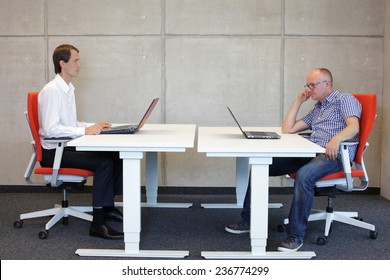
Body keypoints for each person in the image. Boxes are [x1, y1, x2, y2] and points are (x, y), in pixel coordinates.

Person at [225, 68, 362, 252]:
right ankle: (249, 220)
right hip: (311, 151)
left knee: (304, 175)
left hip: (334, 155)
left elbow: (354, 127)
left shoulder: (344, 99)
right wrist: (299, 100)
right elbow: (288, 129)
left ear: (327, 84)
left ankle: (295, 236)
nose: (309, 89)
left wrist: (336, 139)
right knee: (262, 165)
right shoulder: (319, 108)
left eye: (312, 85)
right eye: (308, 85)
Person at [38, 44, 124, 239]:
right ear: (62, 63)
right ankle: (98, 224)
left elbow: (69, 124)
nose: (79, 65)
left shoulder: (67, 89)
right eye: (75, 60)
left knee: (115, 155)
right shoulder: (52, 90)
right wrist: (84, 130)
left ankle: (108, 207)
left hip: (66, 147)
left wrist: (95, 125)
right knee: (104, 164)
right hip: (54, 154)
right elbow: (51, 129)